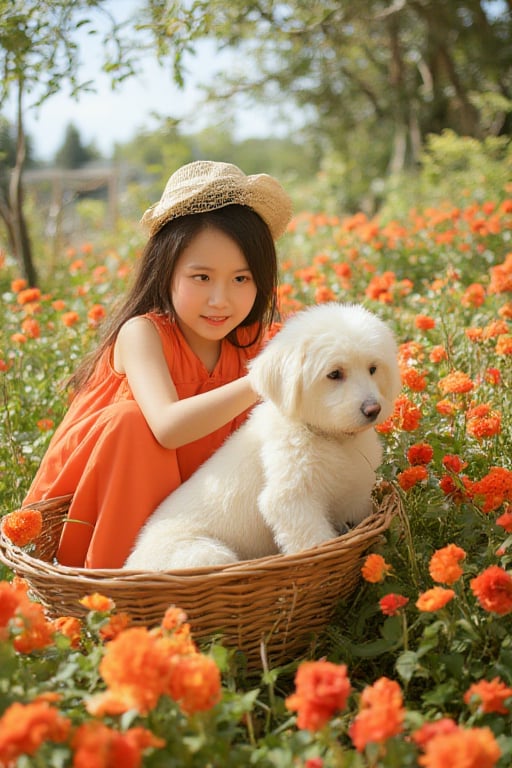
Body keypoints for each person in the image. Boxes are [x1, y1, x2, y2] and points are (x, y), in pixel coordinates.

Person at [23, 160, 293, 569]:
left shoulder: (254, 341)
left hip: (188, 520)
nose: (221, 299)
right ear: (165, 272)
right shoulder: (143, 334)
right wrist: (265, 379)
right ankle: (109, 589)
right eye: (201, 278)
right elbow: (168, 427)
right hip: (99, 505)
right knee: (132, 422)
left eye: (241, 279)